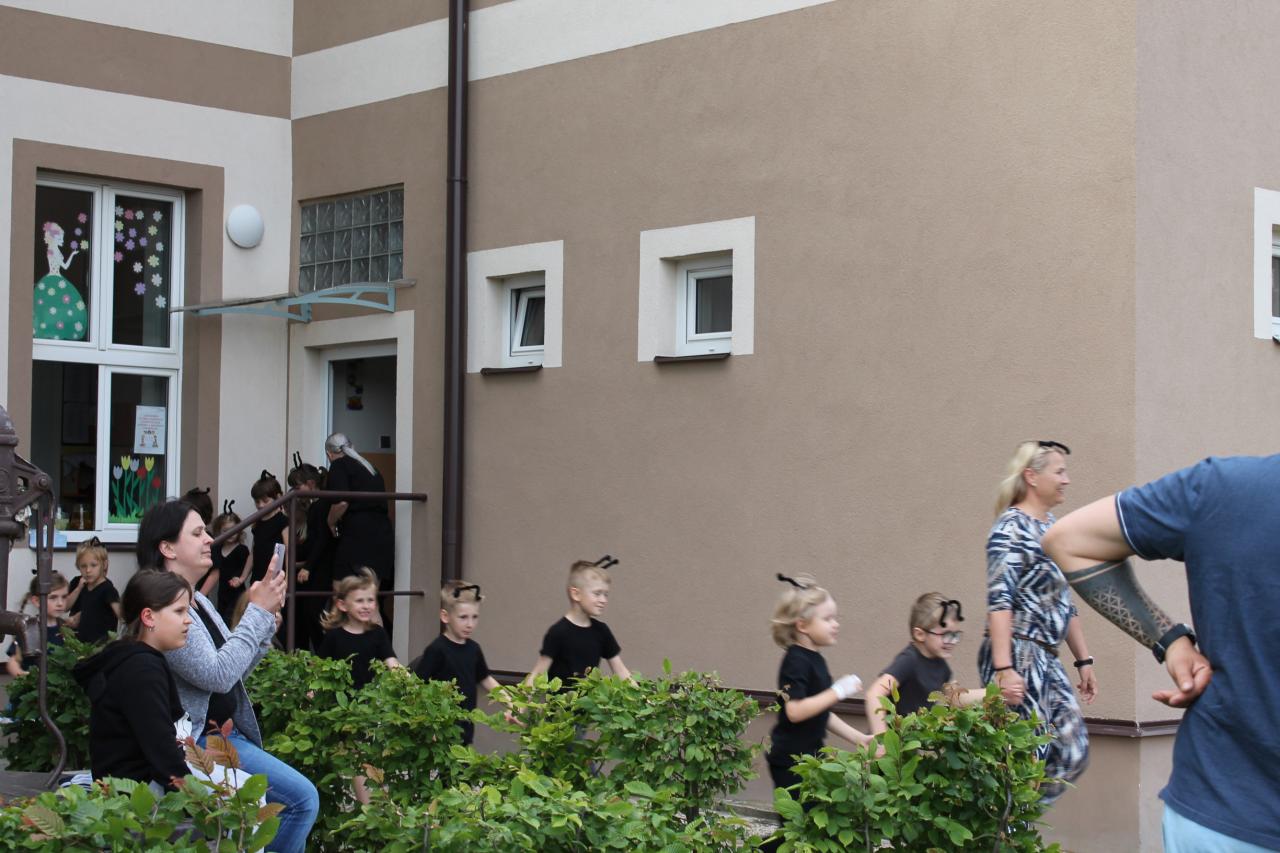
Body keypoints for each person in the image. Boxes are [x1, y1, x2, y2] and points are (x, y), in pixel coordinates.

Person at [1042, 454, 1279, 852]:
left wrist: (1170, 642)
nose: (1064, 479)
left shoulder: (1222, 487)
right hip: (1224, 811)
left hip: (1220, 816)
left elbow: (1069, 541)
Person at [137, 499, 318, 853]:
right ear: (167, 548)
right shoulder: (165, 608)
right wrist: (256, 612)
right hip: (197, 742)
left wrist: (263, 626)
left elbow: (232, 673)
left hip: (223, 735)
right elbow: (217, 675)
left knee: (297, 803)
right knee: (301, 801)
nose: (210, 539)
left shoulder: (199, 601)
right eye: (197, 533)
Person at [978, 440, 1096, 804]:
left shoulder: (1052, 528)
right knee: (1028, 754)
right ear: (1031, 476)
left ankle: (1013, 819)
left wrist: (1084, 659)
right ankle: (1010, 823)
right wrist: (1004, 669)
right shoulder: (1010, 529)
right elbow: (999, 601)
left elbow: (1064, 599)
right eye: (1059, 472)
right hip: (1018, 651)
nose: (1066, 480)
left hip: (1047, 655)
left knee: (1073, 750)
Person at [73, 570, 193, 791]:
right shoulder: (142, 669)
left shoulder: (134, 658)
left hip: (132, 784)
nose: (188, 620)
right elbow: (161, 748)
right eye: (179, 611)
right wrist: (198, 800)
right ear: (148, 617)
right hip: (137, 791)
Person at [766, 573, 870, 792]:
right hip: (790, 761)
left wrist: (858, 738)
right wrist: (838, 690)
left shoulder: (815, 659)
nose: (836, 625)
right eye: (827, 619)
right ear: (802, 625)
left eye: (835, 618)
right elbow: (794, 711)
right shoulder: (796, 660)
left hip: (811, 756)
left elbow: (819, 711)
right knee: (799, 814)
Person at [864, 593, 1018, 737]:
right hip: (889, 748)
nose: (952, 641)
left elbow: (955, 698)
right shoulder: (909, 660)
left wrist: (997, 692)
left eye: (955, 635)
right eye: (945, 635)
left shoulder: (941, 666)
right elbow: (874, 694)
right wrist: (882, 740)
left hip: (908, 746)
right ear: (920, 634)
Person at [413, 581, 502, 745]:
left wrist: (511, 702)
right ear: (445, 616)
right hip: (439, 733)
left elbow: (486, 679)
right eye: (463, 617)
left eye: (475, 617)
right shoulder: (437, 649)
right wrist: (428, 725)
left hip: (465, 731)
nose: (470, 624)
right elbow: (417, 687)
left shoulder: (474, 649)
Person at [323, 433, 395, 630]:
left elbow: (341, 502)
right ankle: (377, 647)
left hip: (358, 537)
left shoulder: (339, 466)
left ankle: (342, 643)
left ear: (329, 454)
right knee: (370, 601)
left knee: (340, 594)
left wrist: (330, 522)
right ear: (352, 446)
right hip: (381, 536)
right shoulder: (369, 467)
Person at [525, 558, 631, 686]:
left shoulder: (602, 631)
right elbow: (538, 674)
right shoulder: (558, 632)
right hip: (561, 699)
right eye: (597, 593)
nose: (603, 600)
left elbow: (621, 671)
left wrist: (641, 696)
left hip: (590, 699)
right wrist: (519, 699)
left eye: (606, 594)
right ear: (576, 594)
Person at [316, 568, 400, 690]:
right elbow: (319, 668)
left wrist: (412, 684)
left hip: (371, 698)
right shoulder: (334, 636)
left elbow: (393, 664)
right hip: (340, 698)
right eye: (359, 601)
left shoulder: (378, 633)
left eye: (370, 600)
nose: (366, 606)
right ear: (342, 605)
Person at [289, 461, 333, 652]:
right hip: (319, 564)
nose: (296, 491)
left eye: (297, 487)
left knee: (313, 612)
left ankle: (323, 654)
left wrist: (307, 566)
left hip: (322, 567)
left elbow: (321, 539)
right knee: (310, 612)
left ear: (311, 484)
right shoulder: (319, 505)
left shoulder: (320, 506)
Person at [6, 572, 70, 678]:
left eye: (64, 597)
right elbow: (14, 661)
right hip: (33, 684)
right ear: (36, 601)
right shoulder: (29, 629)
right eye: (53, 597)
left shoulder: (66, 628)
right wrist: (23, 676)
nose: (60, 603)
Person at [66, 537, 122, 644]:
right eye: (83, 566)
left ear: (104, 564)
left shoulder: (108, 589)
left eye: (93, 565)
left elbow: (122, 616)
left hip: (100, 646)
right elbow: (65, 607)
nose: (88, 570)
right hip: (77, 644)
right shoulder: (77, 582)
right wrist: (78, 589)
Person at [208, 501, 251, 626]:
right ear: (219, 531)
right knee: (221, 621)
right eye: (226, 531)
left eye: (234, 530)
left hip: (237, 593)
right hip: (222, 593)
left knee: (232, 621)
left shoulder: (242, 549)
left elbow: (245, 568)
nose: (231, 534)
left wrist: (239, 578)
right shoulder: (217, 548)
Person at [249, 470, 288, 585]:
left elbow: (289, 552)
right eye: (257, 502)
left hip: (275, 579)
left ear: (278, 497)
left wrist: (287, 580)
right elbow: (253, 552)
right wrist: (242, 578)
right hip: (257, 578)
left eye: (265, 501)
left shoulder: (283, 521)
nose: (261, 505)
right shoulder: (257, 522)